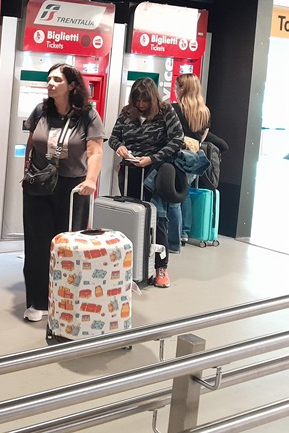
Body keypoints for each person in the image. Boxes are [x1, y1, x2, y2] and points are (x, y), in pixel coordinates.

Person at [21, 64, 104, 322]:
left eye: (57, 79)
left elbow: (95, 151)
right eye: (49, 78)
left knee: (68, 246)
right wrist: (26, 171)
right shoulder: (40, 111)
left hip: (72, 188)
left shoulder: (88, 115)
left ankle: (67, 299)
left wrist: (91, 180)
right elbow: (32, 142)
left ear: (71, 85)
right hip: (39, 185)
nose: (50, 83)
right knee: (37, 244)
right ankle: (37, 301)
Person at [108, 77, 183, 288]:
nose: (141, 105)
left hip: (154, 172)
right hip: (130, 171)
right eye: (137, 101)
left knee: (157, 219)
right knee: (129, 216)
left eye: (145, 101)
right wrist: (119, 147)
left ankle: (161, 266)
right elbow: (113, 137)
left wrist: (153, 158)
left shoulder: (166, 111)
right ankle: (129, 264)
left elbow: (177, 140)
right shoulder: (126, 112)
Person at [173, 74, 211, 245]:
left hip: (177, 153)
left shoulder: (174, 109)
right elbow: (202, 138)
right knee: (185, 191)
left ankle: (174, 231)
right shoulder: (205, 112)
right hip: (194, 156)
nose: (174, 89)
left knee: (173, 193)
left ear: (182, 88)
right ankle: (185, 232)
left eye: (176, 86)